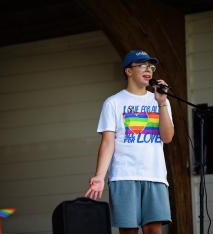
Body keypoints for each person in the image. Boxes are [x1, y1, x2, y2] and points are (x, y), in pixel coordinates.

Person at [85, 50, 174, 234]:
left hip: (154, 175)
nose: (148, 69)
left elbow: (167, 137)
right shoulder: (113, 102)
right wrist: (100, 176)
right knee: (129, 231)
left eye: (151, 66)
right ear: (129, 71)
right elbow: (108, 143)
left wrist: (162, 102)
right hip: (124, 175)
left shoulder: (159, 101)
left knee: (153, 230)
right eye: (142, 65)